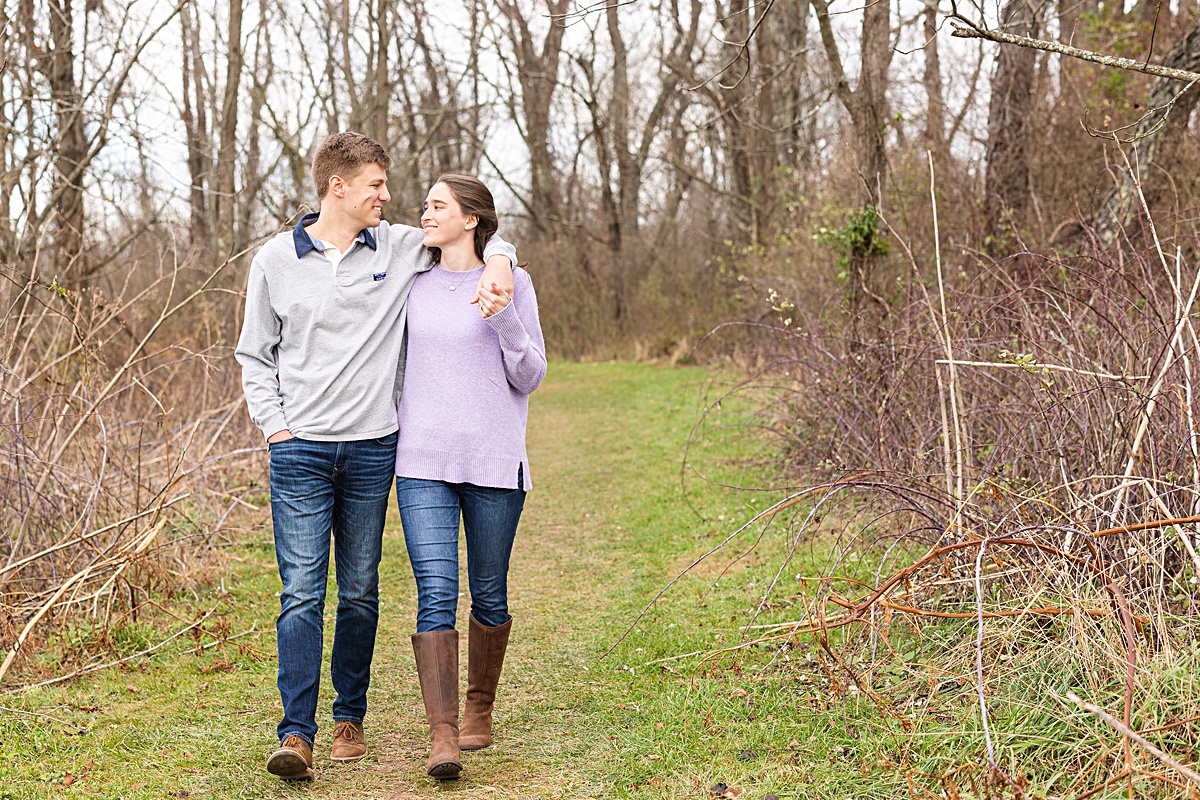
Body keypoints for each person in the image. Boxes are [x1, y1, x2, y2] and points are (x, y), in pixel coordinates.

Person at [235, 134, 515, 781]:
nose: (388, 198)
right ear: (339, 186)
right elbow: (255, 354)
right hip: (300, 450)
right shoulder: (276, 260)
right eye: (377, 186)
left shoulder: (394, 247)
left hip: (370, 450)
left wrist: (501, 257)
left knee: (359, 592)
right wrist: (276, 430)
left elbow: (475, 234)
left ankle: (348, 719)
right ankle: (296, 734)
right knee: (302, 592)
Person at [392, 174, 546, 780]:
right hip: (421, 462)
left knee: (490, 592)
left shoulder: (512, 282)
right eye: (426, 205)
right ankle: (444, 734)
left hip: (492, 461)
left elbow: (530, 375)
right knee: (434, 593)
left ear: (471, 219)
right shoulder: (411, 283)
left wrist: (504, 315)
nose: (424, 214)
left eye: (437, 206)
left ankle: (480, 706)